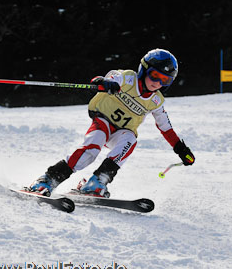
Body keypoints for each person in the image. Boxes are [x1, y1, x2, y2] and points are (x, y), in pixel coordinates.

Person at [28, 49, 195, 198]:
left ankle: (97, 182)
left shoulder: (156, 100)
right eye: (155, 75)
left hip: (121, 131)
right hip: (103, 121)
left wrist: (181, 149)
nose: (157, 83)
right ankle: (48, 179)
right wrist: (104, 82)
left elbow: (165, 128)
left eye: (164, 80)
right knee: (91, 150)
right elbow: (108, 77)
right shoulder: (128, 79)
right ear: (144, 70)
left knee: (130, 140)